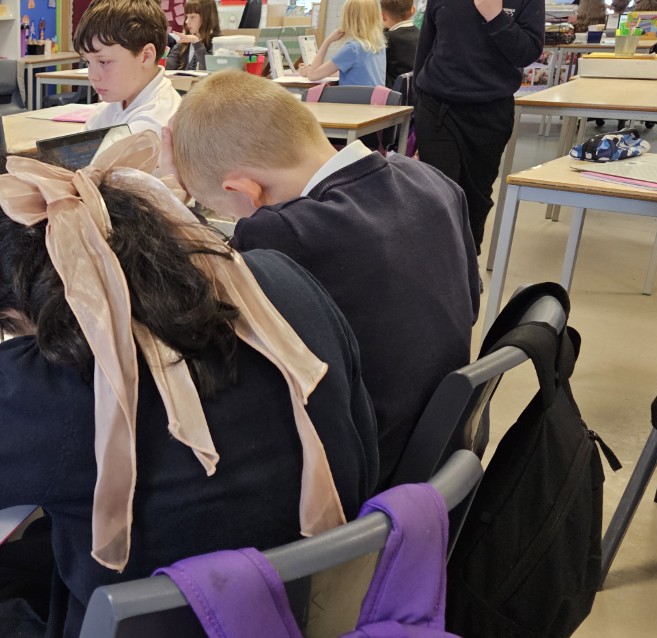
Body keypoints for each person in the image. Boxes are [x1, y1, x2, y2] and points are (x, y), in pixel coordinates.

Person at [0, 133, 379, 638]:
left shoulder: (60, 385)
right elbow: (361, 441)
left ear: (11, 313)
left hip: (157, 617)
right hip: (308, 598)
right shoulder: (279, 279)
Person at [164, 70, 479, 487]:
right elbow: (470, 306)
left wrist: (168, 206)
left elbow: (191, 317)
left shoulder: (281, 232)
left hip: (360, 471)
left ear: (246, 192)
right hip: (436, 447)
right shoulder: (431, 180)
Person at [415, 0, 544, 250]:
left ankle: (466, 263)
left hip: (490, 112)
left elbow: (528, 52)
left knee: (475, 200)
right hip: (437, 106)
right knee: (438, 196)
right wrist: (416, 111)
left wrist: (495, 16)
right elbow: (425, 48)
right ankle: (436, 265)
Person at [76, 0, 181, 135]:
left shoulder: (153, 124)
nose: (92, 76)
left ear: (146, 56)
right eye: (87, 62)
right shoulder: (115, 103)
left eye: (103, 62)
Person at [300, 0, 388, 85]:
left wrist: (327, 41)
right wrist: (317, 71)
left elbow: (313, 76)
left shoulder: (353, 49)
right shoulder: (379, 46)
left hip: (354, 96)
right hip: (372, 95)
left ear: (349, 19)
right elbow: (351, 71)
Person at [166, 0, 221, 70]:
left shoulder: (217, 43)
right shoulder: (183, 43)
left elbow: (209, 68)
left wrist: (196, 43)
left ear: (206, 18)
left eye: (192, 17)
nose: (187, 21)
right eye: (186, 16)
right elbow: (168, 66)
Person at [382, 0, 420, 86]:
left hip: (392, 91)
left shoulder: (386, 39)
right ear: (413, 10)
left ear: (383, 16)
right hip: (415, 89)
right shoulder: (421, 35)